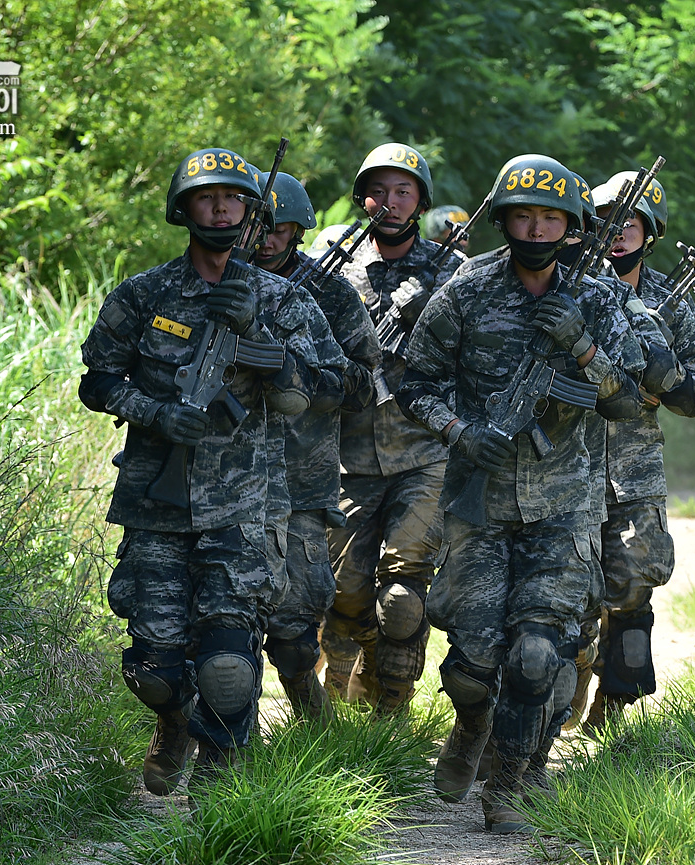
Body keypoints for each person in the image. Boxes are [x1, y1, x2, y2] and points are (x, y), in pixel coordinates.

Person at [78, 147, 336, 795]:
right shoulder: (144, 294)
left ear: (253, 212)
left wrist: (270, 354)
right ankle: (172, 723)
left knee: (228, 664)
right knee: (155, 667)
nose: (221, 209)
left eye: (233, 199)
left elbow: (333, 385)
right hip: (156, 502)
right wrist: (157, 412)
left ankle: (220, 800)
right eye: (207, 198)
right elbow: (99, 380)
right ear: (185, 208)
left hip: (247, 505)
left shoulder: (283, 300)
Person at [398, 154, 642, 833]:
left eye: (550, 217)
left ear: (570, 225)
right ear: (505, 219)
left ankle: (510, 780)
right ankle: (472, 725)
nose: (536, 227)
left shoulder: (596, 298)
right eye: (524, 215)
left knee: (538, 653)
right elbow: (415, 381)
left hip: (563, 505)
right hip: (480, 501)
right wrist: (458, 429)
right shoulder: (466, 293)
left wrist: (584, 349)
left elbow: (626, 403)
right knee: (473, 666)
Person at [568, 170, 695, 734]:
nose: (619, 231)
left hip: (633, 469)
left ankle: (614, 700)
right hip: (565, 463)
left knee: (633, 582)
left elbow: (694, 396)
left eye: (632, 221)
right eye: (607, 220)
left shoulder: (669, 304)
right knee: (567, 588)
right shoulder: (570, 285)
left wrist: (660, 367)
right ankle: (570, 677)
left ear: (650, 232)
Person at [323, 142, 464, 713]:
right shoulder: (331, 264)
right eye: (378, 190)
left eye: (403, 190)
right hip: (346, 453)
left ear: (419, 200)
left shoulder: (452, 271)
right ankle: (345, 674)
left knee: (404, 594)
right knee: (346, 591)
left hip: (424, 450)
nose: (390, 200)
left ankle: (392, 708)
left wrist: (429, 308)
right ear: (363, 197)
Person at [252, 172, 381, 720]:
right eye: (258, 225)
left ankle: (312, 719)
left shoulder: (329, 292)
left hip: (300, 477)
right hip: (212, 475)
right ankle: (220, 735)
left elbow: (363, 380)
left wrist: (296, 372)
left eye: (280, 228)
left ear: (299, 230)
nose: (267, 238)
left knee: (297, 622)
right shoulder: (211, 281)